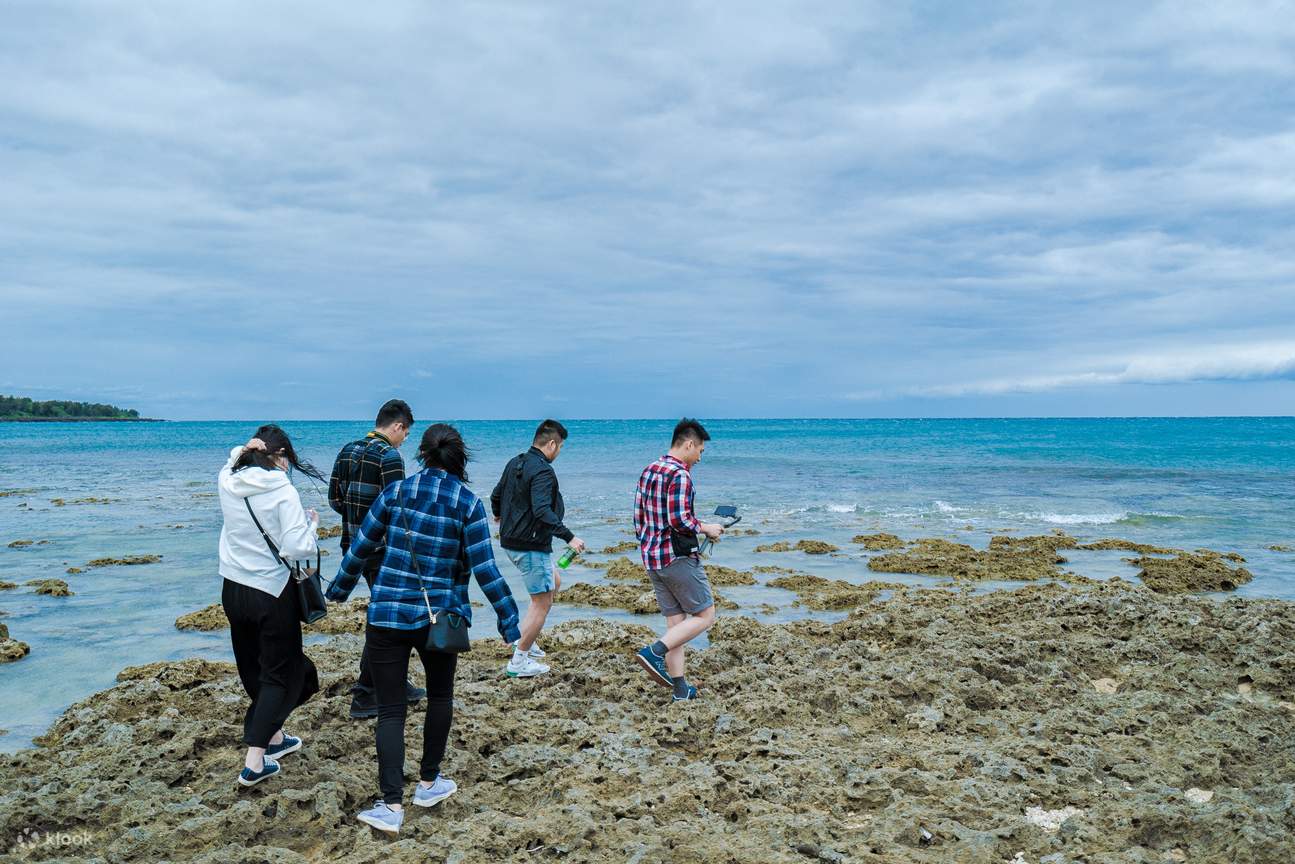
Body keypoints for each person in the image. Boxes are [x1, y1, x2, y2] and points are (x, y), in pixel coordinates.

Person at [326, 423, 522, 834]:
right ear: (459, 459)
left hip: (388, 614)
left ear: (422, 455)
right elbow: (485, 568)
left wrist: (338, 590)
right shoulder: (467, 503)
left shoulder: (395, 492)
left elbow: (362, 544)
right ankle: (429, 783)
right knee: (440, 697)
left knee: (391, 711)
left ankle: (391, 806)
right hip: (440, 619)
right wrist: (508, 620)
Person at [217, 426, 323, 786]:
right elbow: (297, 548)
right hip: (271, 591)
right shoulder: (283, 489)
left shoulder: (228, 480)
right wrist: (311, 526)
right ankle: (254, 762)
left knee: (252, 666)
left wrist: (243, 449)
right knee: (284, 674)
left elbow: (230, 460)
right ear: (280, 457)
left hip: (233, 588)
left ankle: (275, 739)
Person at [328, 399, 426, 719]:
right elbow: (398, 512)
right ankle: (366, 693)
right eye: (406, 433)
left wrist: (358, 521)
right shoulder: (389, 456)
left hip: (354, 546)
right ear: (396, 426)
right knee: (386, 621)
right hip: (384, 551)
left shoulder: (346, 450)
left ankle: (393, 682)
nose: (405, 439)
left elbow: (335, 499)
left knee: (384, 616)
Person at [632, 418, 725, 702]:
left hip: (652, 557)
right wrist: (706, 527)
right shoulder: (680, 474)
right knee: (705, 616)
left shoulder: (650, 469)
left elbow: (639, 516)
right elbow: (680, 519)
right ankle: (654, 652)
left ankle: (680, 689)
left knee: (677, 626)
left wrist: (649, 545)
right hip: (676, 557)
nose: (699, 458)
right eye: (700, 451)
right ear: (688, 444)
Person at [490, 419, 585, 678]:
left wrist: (499, 515)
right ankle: (519, 661)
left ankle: (528, 640)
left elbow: (495, 495)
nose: (559, 451)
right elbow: (542, 510)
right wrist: (569, 537)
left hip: (511, 541)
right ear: (552, 443)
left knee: (553, 582)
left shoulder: (515, 462)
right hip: (531, 546)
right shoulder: (543, 470)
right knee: (541, 602)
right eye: (561, 446)